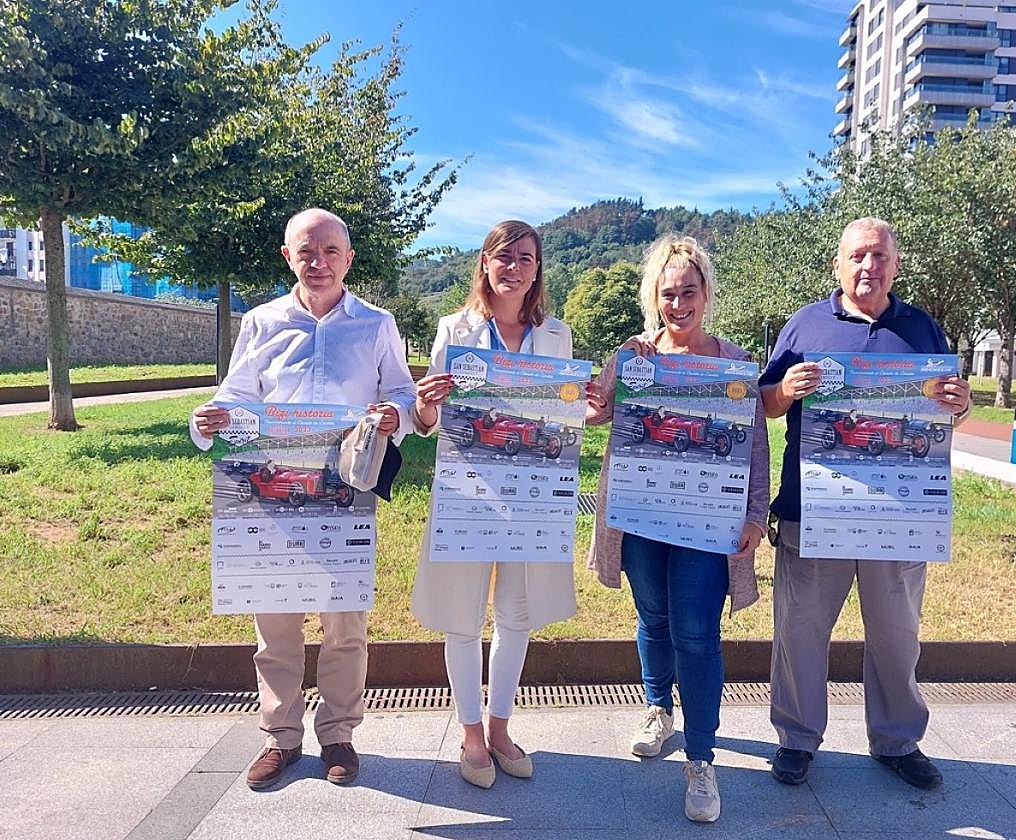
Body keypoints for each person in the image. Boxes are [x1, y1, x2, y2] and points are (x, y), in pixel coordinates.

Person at [190, 207, 416, 790]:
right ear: (287, 256)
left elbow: (403, 393)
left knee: (345, 625)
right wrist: (209, 420)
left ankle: (338, 734)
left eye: (330, 251)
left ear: (349, 258)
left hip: (345, 493)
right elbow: (236, 396)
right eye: (306, 252)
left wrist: (398, 414)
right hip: (273, 494)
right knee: (277, 626)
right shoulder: (261, 321)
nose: (319, 262)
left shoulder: (376, 324)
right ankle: (281, 738)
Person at [759, 217, 972, 791]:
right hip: (813, 510)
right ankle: (796, 739)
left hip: (899, 516)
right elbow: (766, 403)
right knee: (800, 632)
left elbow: (949, 412)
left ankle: (898, 742)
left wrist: (961, 403)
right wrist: (786, 390)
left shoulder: (922, 329)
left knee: (897, 634)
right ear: (838, 264)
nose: (868, 266)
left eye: (879, 256)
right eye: (857, 255)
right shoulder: (805, 324)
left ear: (895, 265)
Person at [409, 220, 601, 789]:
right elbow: (429, 420)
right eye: (504, 256)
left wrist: (584, 411)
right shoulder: (454, 329)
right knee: (462, 616)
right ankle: (470, 734)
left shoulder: (558, 336)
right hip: (468, 492)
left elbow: (561, 416)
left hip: (532, 496)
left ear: (538, 269)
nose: (514, 267)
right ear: (485, 263)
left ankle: (499, 727)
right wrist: (425, 405)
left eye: (525, 258)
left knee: (517, 614)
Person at [586, 234, 770, 823]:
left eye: (689, 291)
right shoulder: (634, 356)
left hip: (708, 523)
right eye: (668, 293)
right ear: (654, 297)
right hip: (641, 518)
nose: (678, 303)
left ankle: (701, 757)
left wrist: (755, 513)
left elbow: (755, 444)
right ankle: (658, 708)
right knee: (653, 618)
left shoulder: (733, 361)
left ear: (706, 294)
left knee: (696, 634)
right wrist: (596, 397)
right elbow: (595, 410)